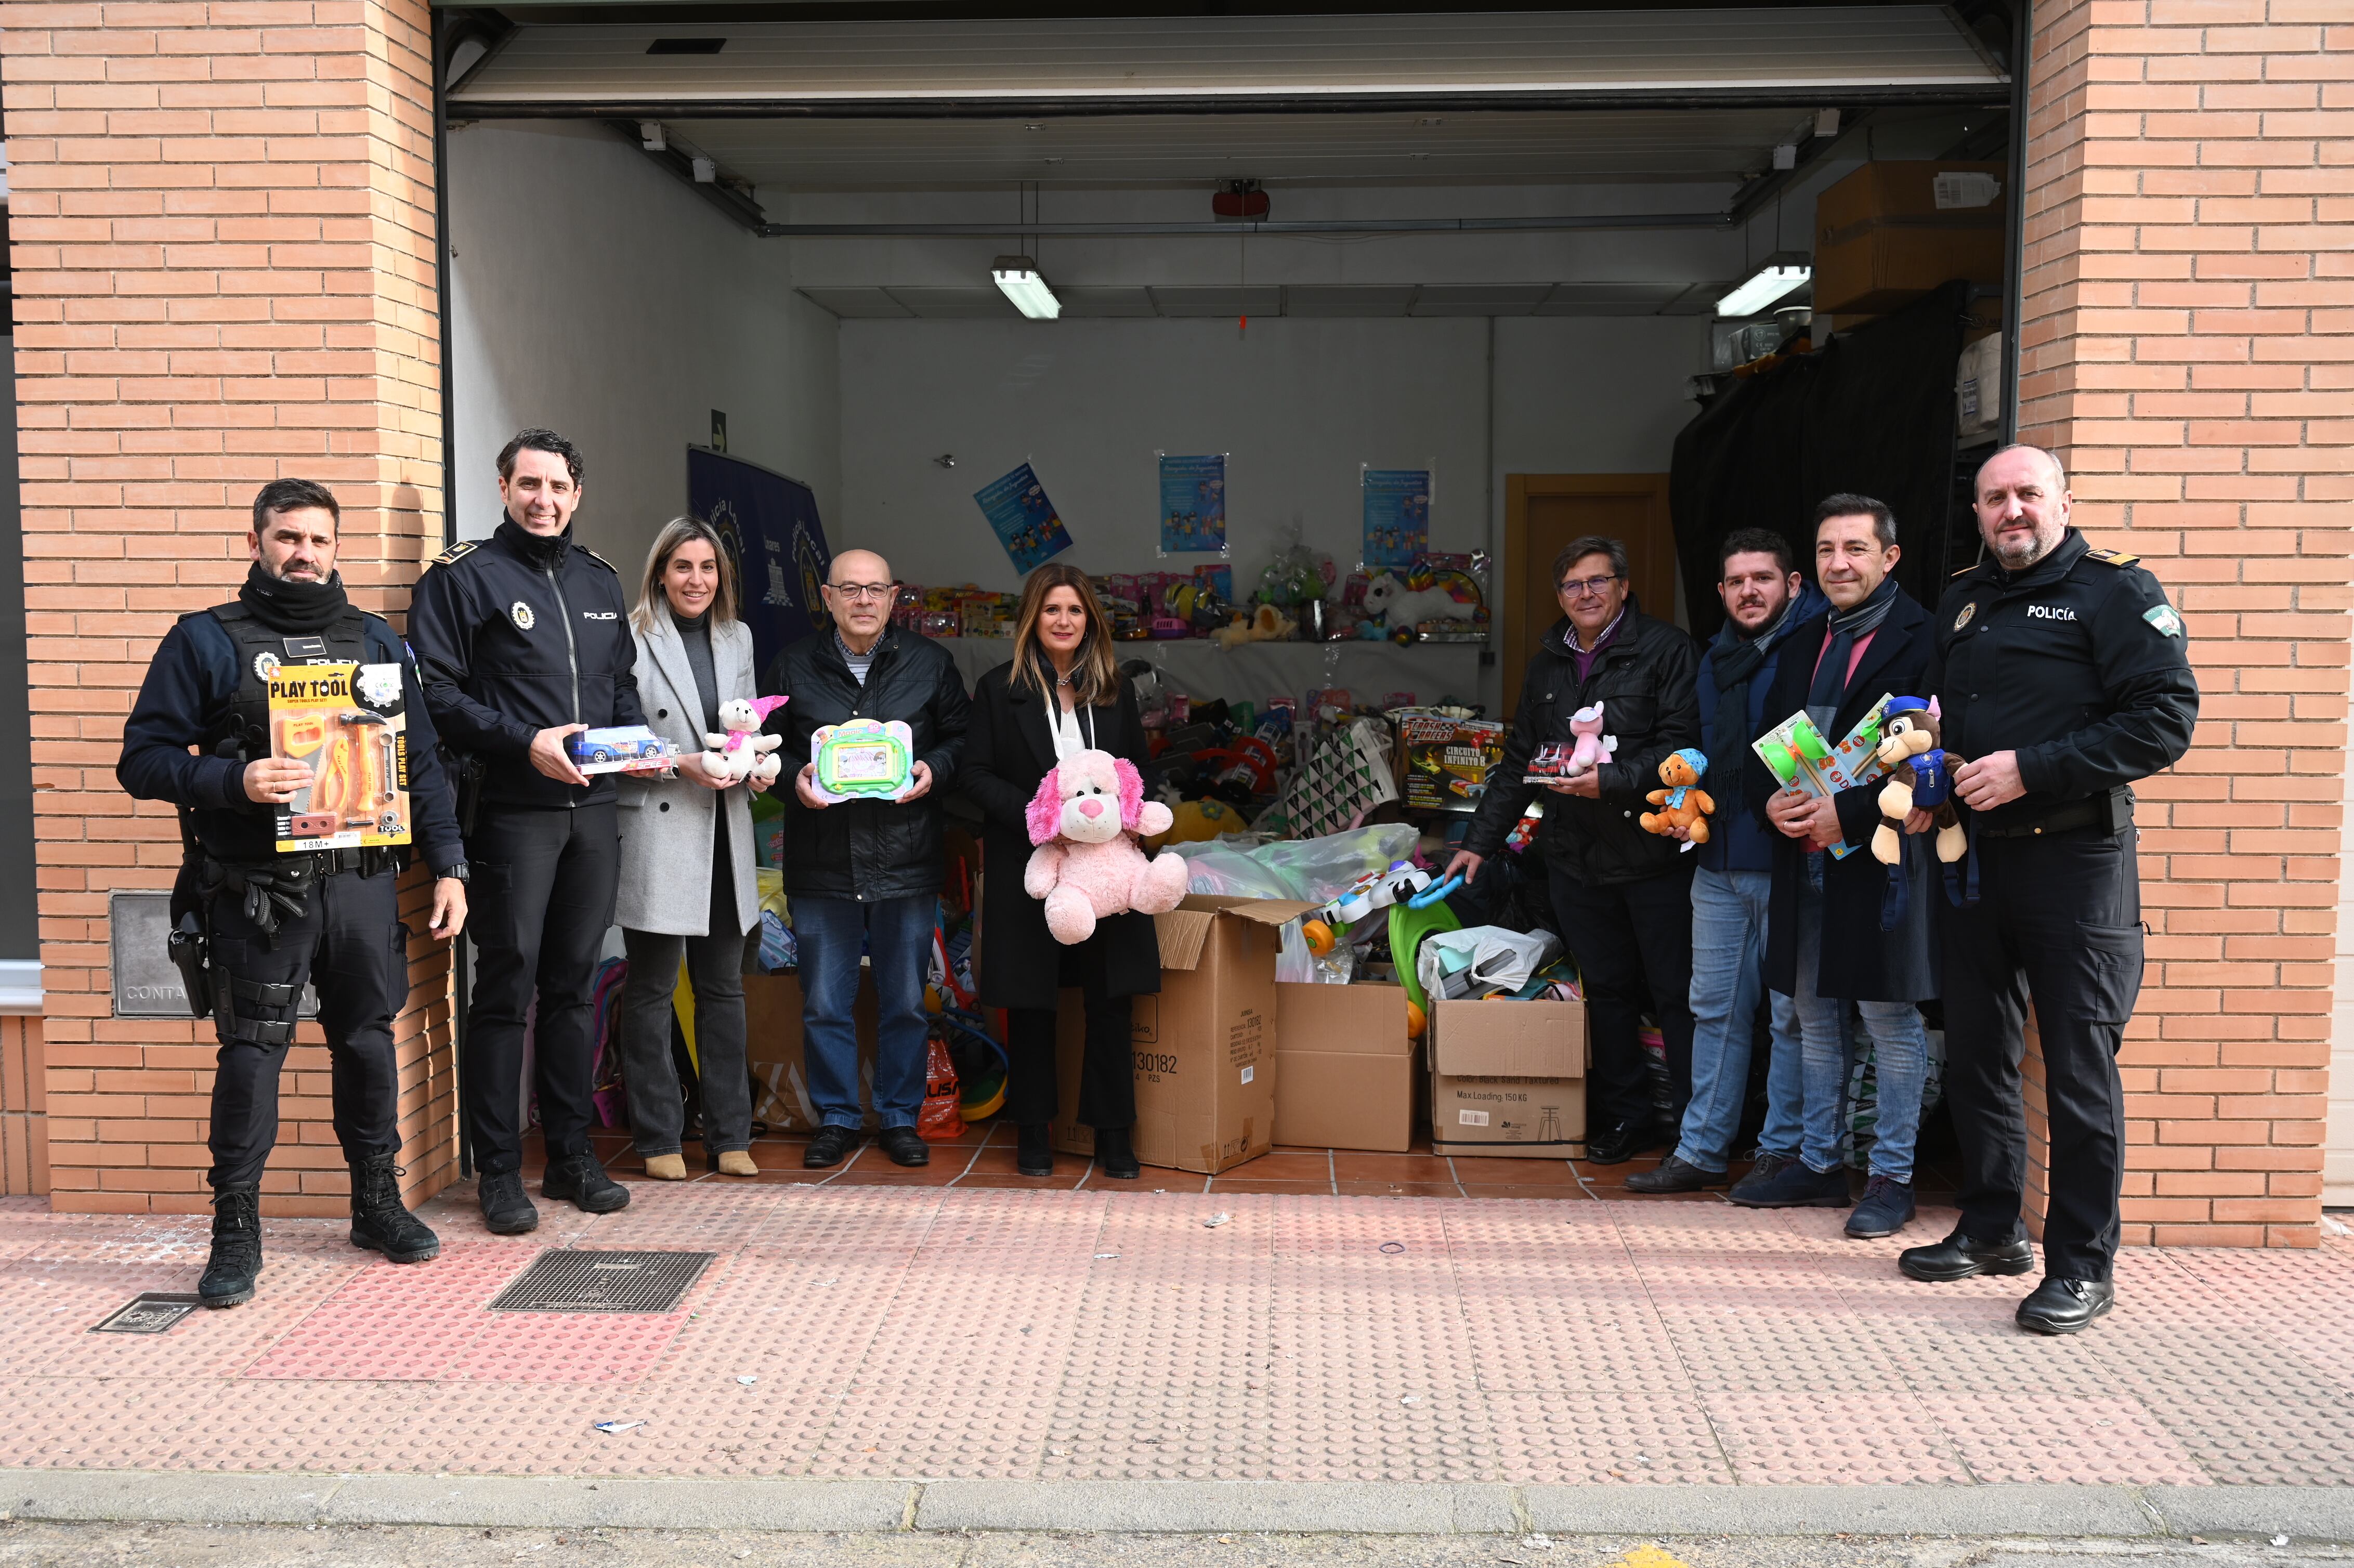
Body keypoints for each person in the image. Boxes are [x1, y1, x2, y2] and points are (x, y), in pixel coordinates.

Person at [118, 479, 470, 1307]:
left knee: (366, 1041)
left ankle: (376, 1203)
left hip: (359, 887)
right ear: (256, 543)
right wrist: (234, 778)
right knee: (251, 1057)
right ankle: (236, 1230)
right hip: (257, 891)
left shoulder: (376, 642)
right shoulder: (205, 641)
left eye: (318, 540)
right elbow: (143, 760)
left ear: (336, 548)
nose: (303, 554)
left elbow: (422, 764)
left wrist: (450, 864)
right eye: (287, 538)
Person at [1900, 445, 2197, 1335]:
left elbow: (2163, 720)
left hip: (2075, 870)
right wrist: (1932, 771)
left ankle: (2079, 1264)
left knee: (2076, 1073)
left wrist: (2031, 768)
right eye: (1994, 498)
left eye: (2027, 494)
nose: (2010, 511)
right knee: (1979, 1058)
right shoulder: (1961, 598)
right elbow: (1948, 718)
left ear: (2061, 501)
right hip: (1976, 865)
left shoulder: (2116, 593)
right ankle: (1991, 1227)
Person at [408, 428, 644, 1234]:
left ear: (578, 495)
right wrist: (525, 742)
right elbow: (432, 694)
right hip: (512, 816)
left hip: (595, 817)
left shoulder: (602, 581)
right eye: (529, 485)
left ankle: (572, 1158)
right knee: (507, 992)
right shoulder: (463, 578)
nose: (544, 500)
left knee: (575, 988)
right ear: (503, 487)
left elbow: (621, 694)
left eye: (559, 487)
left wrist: (640, 747)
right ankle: (500, 1173)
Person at [1451, 537, 1703, 1165]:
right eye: (1572, 586)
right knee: (1608, 992)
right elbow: (1516, 764)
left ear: (1622, 585)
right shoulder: (1546, 663)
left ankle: (1699, 1131)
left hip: (1653, 856)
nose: (1585, 595)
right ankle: (1629, 1118)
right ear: (1559, 596)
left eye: (1597, 582)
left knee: (1676, 992)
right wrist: (1476, 845)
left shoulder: (1667, 650)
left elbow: (1683, 746)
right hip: (1574, 859)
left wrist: (1610, 781)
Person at [1749, 495, 1939, 1240]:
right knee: (1816, 1020)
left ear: (1889, 558)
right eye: (1827, 550)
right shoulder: (1803, 642)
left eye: (1856, 549)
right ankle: (1819, 1165)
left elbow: (1930, 763)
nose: (1839, 564)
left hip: (1885, 863)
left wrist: (1848, 817)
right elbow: (1776, 745)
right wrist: (1773, 805)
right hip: (1807, 860)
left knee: (1890, 1024)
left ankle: (1892, 1179)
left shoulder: (1926, 638)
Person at [1627, 529, 1823, 1195]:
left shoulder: (1820, 649)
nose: (1749, 591)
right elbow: (1697, 750)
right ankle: (1701, 1149)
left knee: (1790, 1015)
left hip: (1793, 863)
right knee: (1712, 1008)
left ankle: (1781, 1150)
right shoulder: (1712, 658)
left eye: (1763, 578)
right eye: (1736, 581)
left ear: (1793, 584)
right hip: (1715, 867)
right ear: (1719, 591)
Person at [773, 548, 971, 1170]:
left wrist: (932, 769)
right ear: (826, 597)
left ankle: (898, 1116)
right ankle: (835, 1116)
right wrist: (790, 779)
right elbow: (763, 745)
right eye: (849, 589)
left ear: (893, 597)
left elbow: (965, 739)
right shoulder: (791, 664)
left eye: (875, 589)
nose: (863, 600)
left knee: (905, 999)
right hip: (821, 862)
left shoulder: (930, 664)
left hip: (905, 859)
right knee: (824, 1001)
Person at [958, 564, 1158, 1180]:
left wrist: (1126, 823)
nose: (1064, 621)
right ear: (1031, 620)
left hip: (1108, 871)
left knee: (1110, 1003)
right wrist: (1041, 818)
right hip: (1034, 863)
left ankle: (1114, 1136)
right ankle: (1034, 1132)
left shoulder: (1116, 689)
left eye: (1074, 610)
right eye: (1051, 611)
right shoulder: (999, 690)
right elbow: (974, 775)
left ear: (1090, 619)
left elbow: (1138, 773)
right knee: (1033, 1004)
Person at [614, 517, 769, 1181]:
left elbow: (747, 725)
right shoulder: (629, 635)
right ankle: (658, 1139)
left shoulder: (738, 637)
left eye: (708, 568)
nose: (697, 580)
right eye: (683, 567)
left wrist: (756, 763)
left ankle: (731, 1133)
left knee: (723, 989)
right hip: (660, 823)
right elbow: (613, 738)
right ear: (660, 572)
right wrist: (680, 762)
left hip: (726, 826)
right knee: (650, 989)